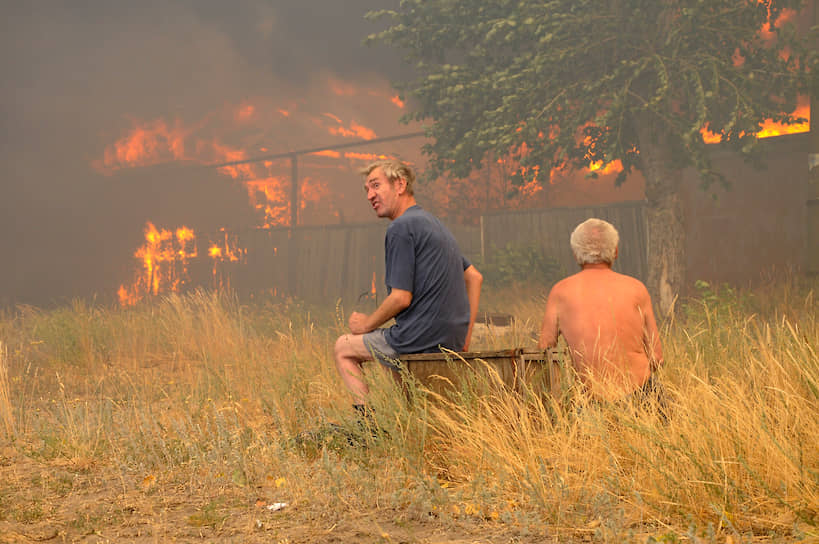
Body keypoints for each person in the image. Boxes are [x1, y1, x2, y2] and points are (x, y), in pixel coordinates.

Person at [334, 160, 483, 412]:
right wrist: (464, 336)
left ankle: (366, 426)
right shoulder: (435, 225)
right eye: (366, 190)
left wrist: (366, 324)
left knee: (343, 347)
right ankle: (409, 420)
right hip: (450, 338)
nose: (370, 195)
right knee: (392, 355)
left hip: (420, 336)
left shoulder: (401, 227)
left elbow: (401, 298)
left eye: (375, 186)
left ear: (400, 184)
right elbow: (475, 277)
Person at [539, 218, 664, 407]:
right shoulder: (636, 289)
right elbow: (657, 358)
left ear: (575, 254)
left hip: (589, 403)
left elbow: (545, 351)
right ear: (615, 251)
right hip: (642, 396)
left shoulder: (560, 291)